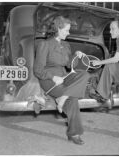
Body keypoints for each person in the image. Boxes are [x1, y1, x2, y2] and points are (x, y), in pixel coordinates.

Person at [34, 16, 90, 145]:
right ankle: (74, 133)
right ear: (57, 29)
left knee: (85, 75)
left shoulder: (66, 45)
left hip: (64, 76)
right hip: (49, 79)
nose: (68, 33)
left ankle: (62, 98)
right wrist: (53, 77)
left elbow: (70, 66)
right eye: (66, 30)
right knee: (73, 98)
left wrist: (76, 56)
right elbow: (37, 69)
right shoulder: (45, 44)